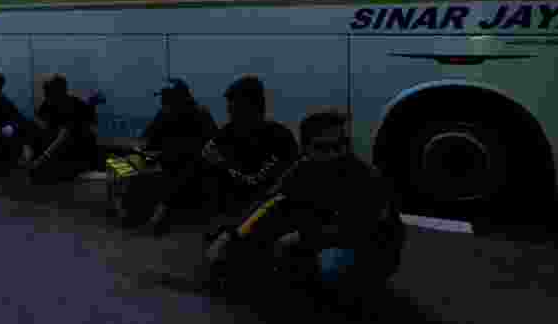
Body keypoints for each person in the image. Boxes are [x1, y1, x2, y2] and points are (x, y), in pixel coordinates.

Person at [206, 109, 406, 302]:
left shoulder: (362, 177)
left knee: (327, 265)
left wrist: (304, 237)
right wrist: (232, 235)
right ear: (306, 149)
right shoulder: (303, 169)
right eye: (323, 148)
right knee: (269, 222)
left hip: (373, 247)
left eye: (341, 145)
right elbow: (270, 201)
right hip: (331, 232)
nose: (335, 153)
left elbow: (360, 228)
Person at [201, 76, 299, 219]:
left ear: (254, 107)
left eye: (235, 108)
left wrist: (222, 165)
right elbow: (206, 160)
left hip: (267, 209)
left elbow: (258, 185)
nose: (229, 113)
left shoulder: (279, 137)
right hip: (230, 208)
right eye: (229, 107)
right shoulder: (227, 133)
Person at [135, 79, 219, 236]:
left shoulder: (201, 114)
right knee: (125, 165)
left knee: (186, 169)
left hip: (193, 170)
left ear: (181, 97)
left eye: (167, 97)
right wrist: (143, 150)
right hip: (166, 164)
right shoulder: (163, 114)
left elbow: (214, 146)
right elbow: (146, 140)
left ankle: (158, 217)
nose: (162, 101)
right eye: (162, 97)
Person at [23, 74, 99, 184]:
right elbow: (39, 128)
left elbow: (63, 137)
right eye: (45, 90)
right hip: (58, 145)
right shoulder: (47, 105)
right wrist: (30, 157)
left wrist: (39, 160)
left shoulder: (71, 106)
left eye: (48, 90)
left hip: (75, 148)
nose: (45, 94)